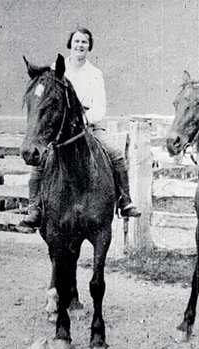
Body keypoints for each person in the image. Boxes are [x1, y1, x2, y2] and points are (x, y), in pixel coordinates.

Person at [20, 27, 141, 228]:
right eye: (76, 41)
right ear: (70, 45)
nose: (80, 45)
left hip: (89, 126)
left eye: (84, 42)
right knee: (40, 162)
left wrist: (84, 121)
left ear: (89, 46)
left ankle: (124, 200)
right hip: (62, 129)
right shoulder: (56, 70)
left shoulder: (95, 74)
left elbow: (99, 107)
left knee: (116, 152)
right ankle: (34, 208)